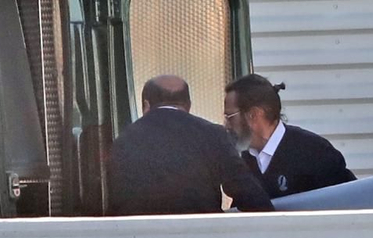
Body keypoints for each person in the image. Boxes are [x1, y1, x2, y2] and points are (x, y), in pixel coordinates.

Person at [109, 75, 273, 215]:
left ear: (146, 105)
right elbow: (248, 193)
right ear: (188, 105)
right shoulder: (213, 135)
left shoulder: (123, 141)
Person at [224, 74, 354, 198]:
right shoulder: (244, 160)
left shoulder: (314, 152)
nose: (227, 125)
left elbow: (349, 202)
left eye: (230, 117)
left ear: (254, 114)